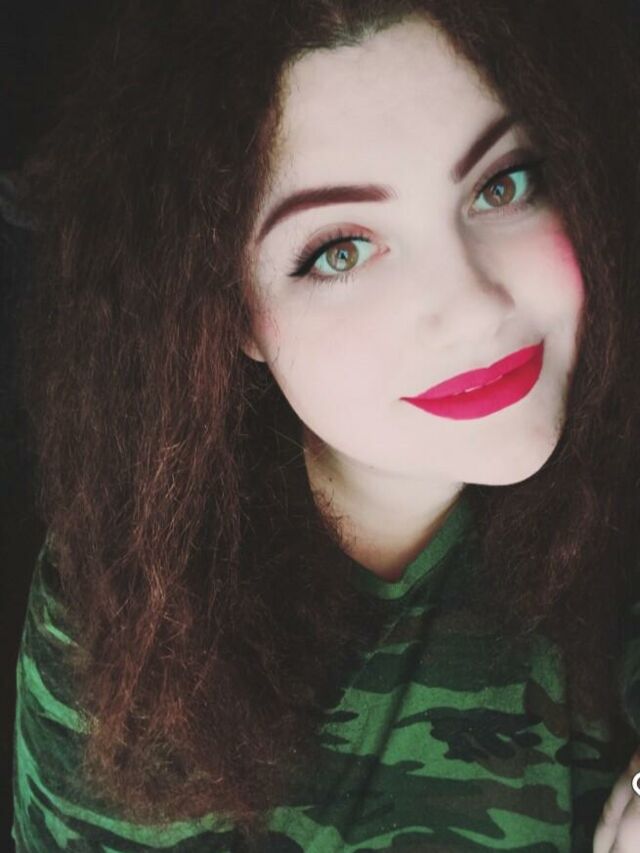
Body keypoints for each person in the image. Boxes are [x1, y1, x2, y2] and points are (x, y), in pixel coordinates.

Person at [10, 0, 640, 850]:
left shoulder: (617, 463)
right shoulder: (140, 622)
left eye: (503, 184)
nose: (472, 308)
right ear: (228, 312)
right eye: (340, 250)